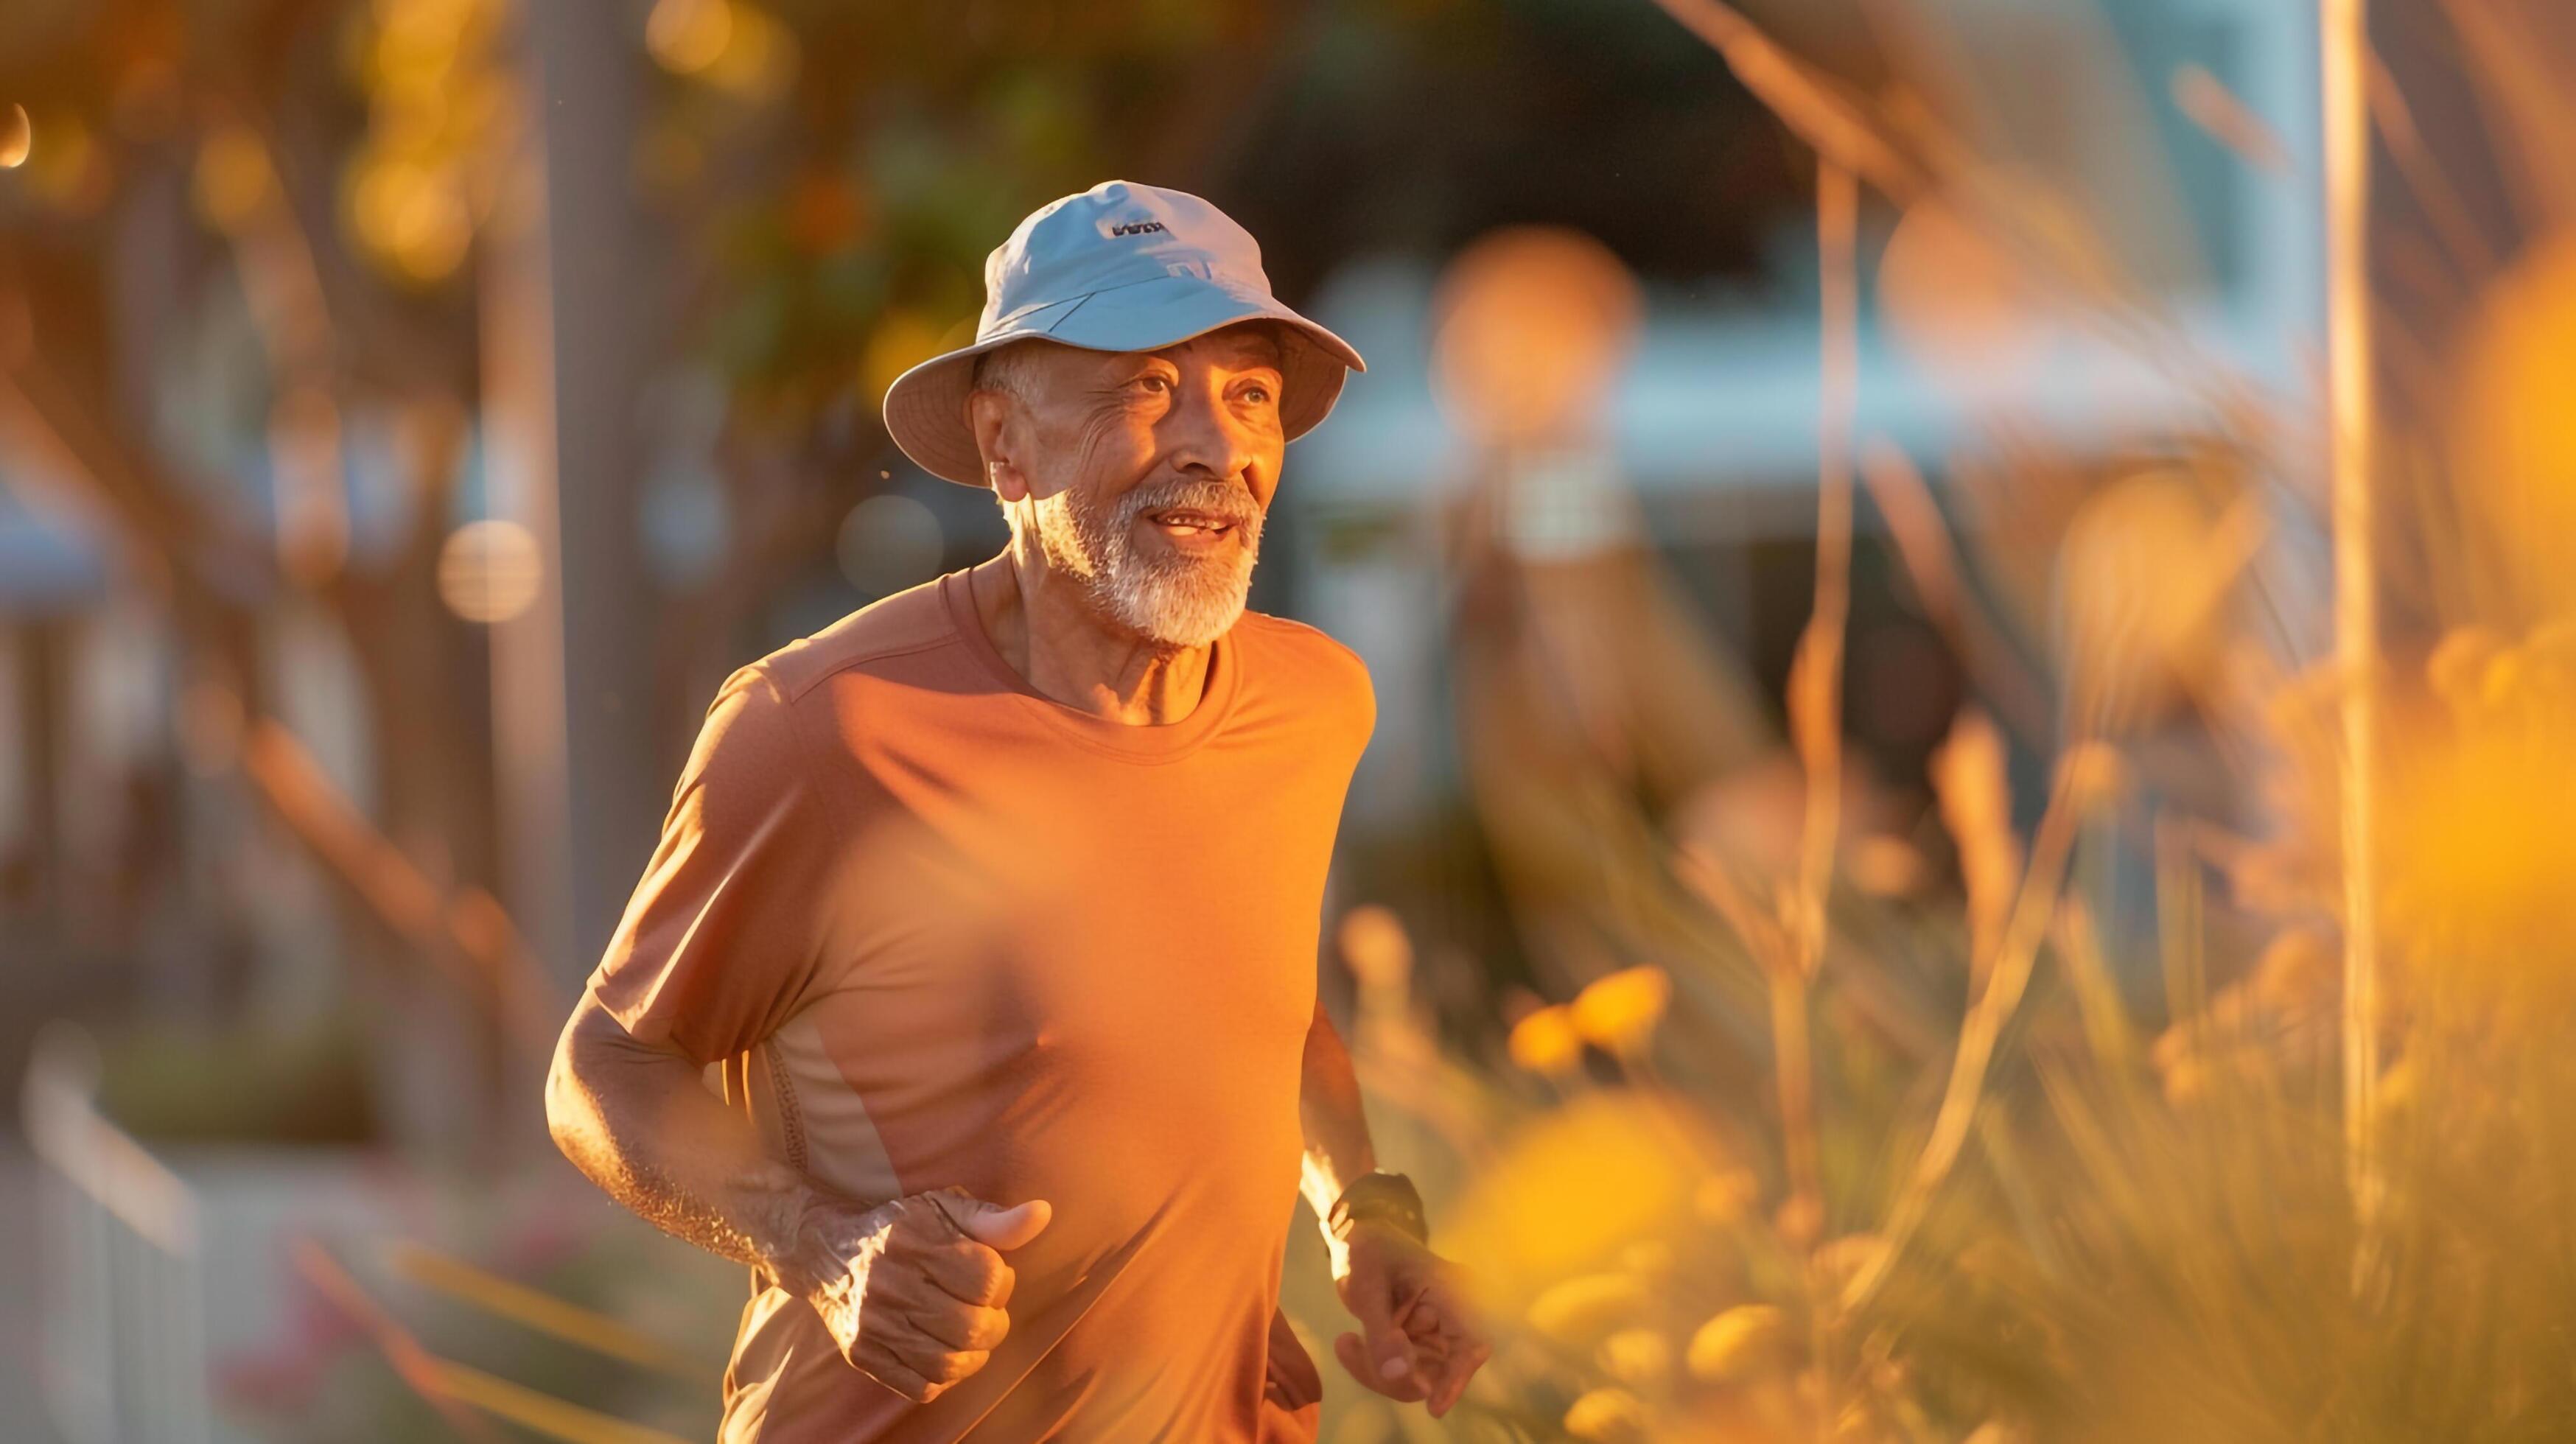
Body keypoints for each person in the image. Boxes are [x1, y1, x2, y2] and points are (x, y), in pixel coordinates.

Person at [545, 180, 1489, 1443]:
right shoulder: (827, 726)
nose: (1217, 442)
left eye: (1250, 393)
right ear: (1006, 445)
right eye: (1145, 387)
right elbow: (603, 1067)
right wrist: (820, 1246)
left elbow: (1268, 1001)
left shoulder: (1315, 701)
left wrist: (1364, 1213)